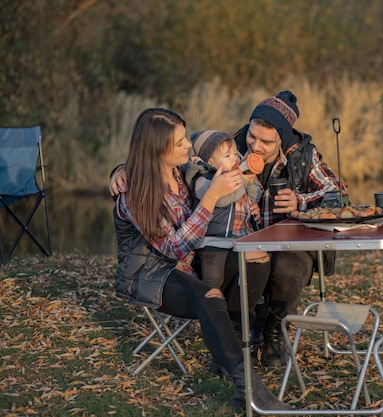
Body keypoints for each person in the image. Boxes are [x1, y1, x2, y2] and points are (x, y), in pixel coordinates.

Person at [112, 108, 289, 412]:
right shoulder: (135, 194)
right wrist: (211, 196)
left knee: (257, 261)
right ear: (158, 149)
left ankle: (230, 345)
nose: (187, 147)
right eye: (179, 142)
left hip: (190, 264)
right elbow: (176, 249)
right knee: (208, 295)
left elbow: (207, 161)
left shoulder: (182, 169)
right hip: (153, 276)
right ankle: (247, 389)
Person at [232, 90, 346, 367]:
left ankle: (275, 327)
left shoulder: (304, 154)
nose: (255, 145)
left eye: (265, 141)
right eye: (252, 135)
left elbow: (338, 196)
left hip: (292, 245)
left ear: (281, 139)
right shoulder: (231, 148)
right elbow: (189, 168)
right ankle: (246, 328)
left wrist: (301, 200)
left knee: (287, 266)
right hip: (243, 242)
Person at [185, 129, 269, 326]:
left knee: (248, 270)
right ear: (211, 163)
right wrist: (242, 183)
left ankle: (247, 305)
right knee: (214, 278)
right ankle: (211, 310)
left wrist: (250, 178)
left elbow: (254, 195)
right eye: (227, 155)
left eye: (235, 154)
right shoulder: (203, 180)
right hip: (212, 241)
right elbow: (222, 199)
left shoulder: (235, 175)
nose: (234, 158)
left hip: (237, 239)